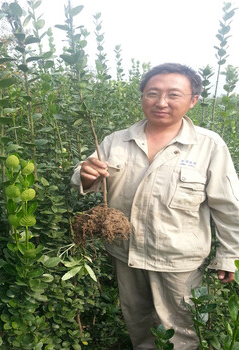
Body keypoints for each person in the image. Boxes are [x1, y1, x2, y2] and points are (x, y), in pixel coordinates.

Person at [71, 63, 239, 349]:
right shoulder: (116, 141)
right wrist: (84, 174)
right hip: (127, 254)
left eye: (173, 94)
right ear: (142, 97)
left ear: (193, 100)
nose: (161, 102)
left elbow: (228, 205)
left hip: (177, 261)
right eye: (152, 93)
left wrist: (230, 254)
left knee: (182, 331)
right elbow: (85, 176)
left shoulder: (209, 146)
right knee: (138, 324)